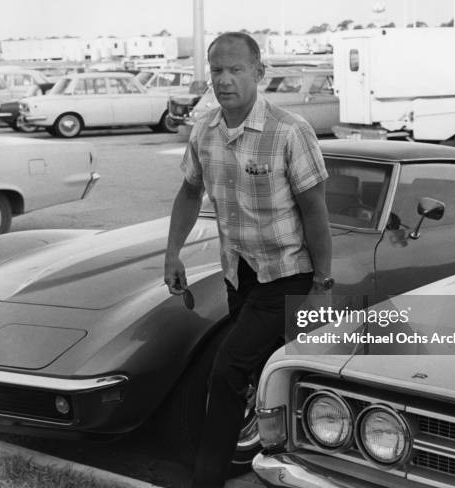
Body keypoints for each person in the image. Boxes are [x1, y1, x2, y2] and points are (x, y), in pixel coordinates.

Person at [164, 32, 333, 488]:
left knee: (227, 368)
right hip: (238, 272)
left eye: (235, 70)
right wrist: (172, 252)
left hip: (287, 273)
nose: (224, 80)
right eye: (216, 70)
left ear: (259, 73)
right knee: (256, 371)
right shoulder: (204, 131)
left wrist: (322, 280)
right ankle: (284, 454)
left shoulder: (289, 130)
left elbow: (315, 209)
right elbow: (188, 191)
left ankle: (208, 477)